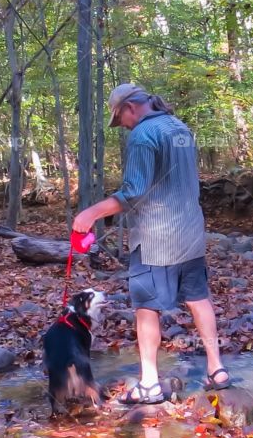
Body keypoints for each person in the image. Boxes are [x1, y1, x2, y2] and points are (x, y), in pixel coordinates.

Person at [72, 83, 230, 404]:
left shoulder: (143, 136)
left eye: (121, 119)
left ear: (130, 108)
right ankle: (217, 369)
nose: (124, 126)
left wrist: (91, 213)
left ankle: (149, 384)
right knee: (198, 298)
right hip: (191, 231)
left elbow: (134, 192)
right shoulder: (180, 127)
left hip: (157, 237)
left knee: (146, 307)